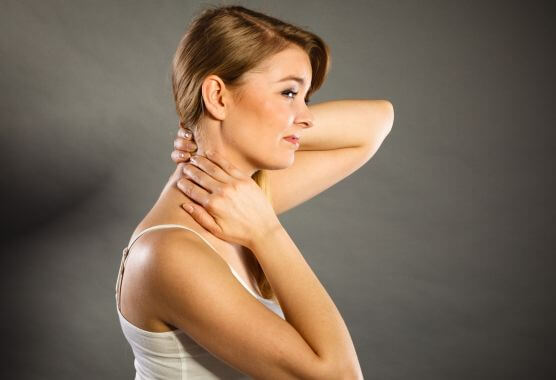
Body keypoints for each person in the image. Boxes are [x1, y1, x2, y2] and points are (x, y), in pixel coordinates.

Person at [115, 5, 393, 379]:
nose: (307, 115)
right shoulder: (169, 254)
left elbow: (376, 123)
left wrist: (205, 127)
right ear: (218, 95)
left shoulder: (233, 202)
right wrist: (266, 233)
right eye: (289, 92)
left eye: (305, 97)